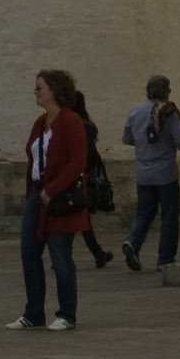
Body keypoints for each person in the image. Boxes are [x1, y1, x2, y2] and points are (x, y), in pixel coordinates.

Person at [8, 68, 88, 332]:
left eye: (40, 87)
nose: (36, 91)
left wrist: (52, 189)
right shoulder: (40, 123)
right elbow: (33, 158)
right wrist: (34, 191)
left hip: (60, 198)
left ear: (54, 90)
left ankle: (67, 313)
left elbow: (77, 161)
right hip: (37, 196)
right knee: (29, 253)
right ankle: (33, 313)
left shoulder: (71, 121)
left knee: (60, 255)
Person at [121, 73, 180, 271]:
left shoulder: (135, 112)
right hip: (165, 174)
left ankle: (133, 242)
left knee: (144, 213)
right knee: (169, 215)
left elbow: (127, 138)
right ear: (166, 91)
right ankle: (165, 259)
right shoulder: (169, 113)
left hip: (143, 173)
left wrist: (143, 144)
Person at [69, 89, 114, 269]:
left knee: (78, 217)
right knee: (79, 217)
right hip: (82, 176)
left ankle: (96, 253)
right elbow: (90, 154)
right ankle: (96, 253)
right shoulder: (84, 124)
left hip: (78, 175)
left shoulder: (72, 124)